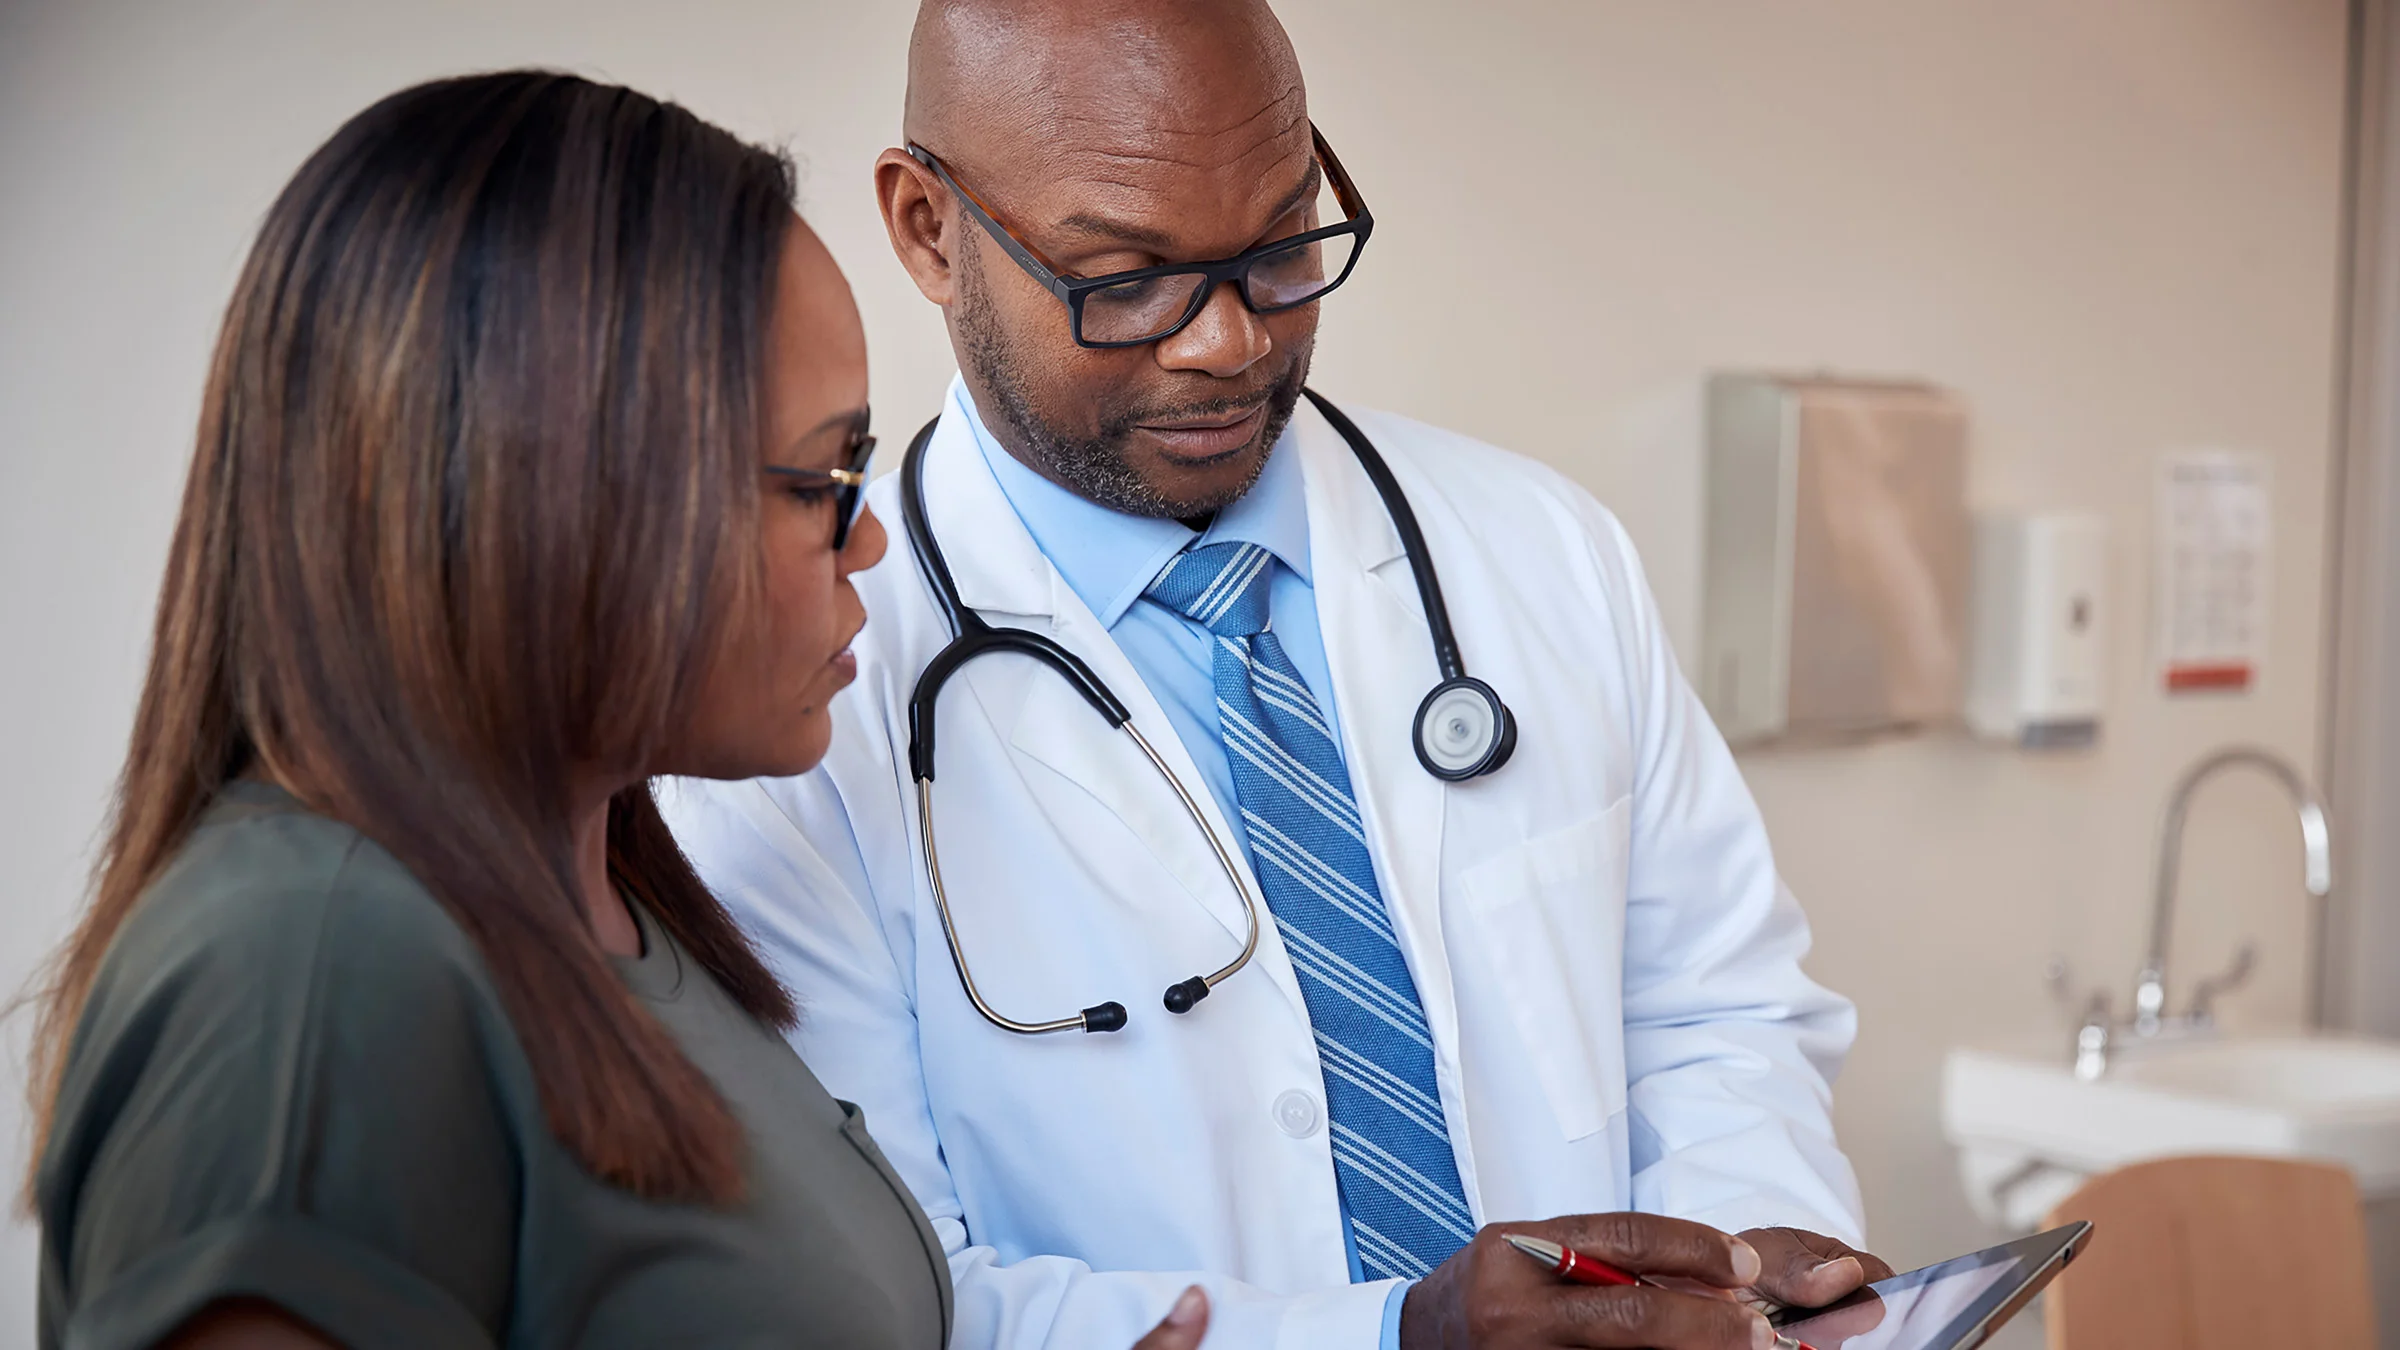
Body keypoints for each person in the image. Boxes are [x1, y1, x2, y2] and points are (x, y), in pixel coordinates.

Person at [662, 2, 1889, 1348]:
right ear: (927, 229)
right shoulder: (788, 702)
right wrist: (1391, 1336)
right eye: (1126, 276)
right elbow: (892, 1288)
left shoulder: (1539, 549)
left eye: (1281, 246)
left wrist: (1733, 1252)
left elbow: (1719, 1009)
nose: (1228, 344)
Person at [29, 70, 1209, 1350]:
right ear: (569, 487)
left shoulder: (614, 911)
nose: (866, 539)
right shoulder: (303, 978)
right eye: (827, 473)